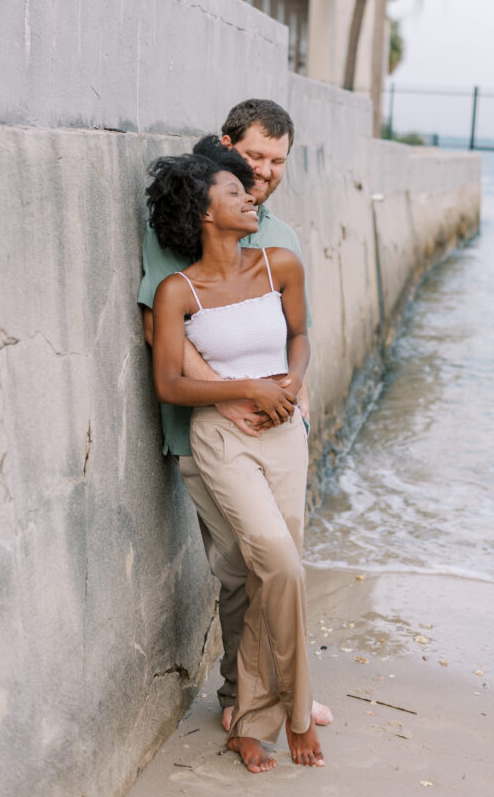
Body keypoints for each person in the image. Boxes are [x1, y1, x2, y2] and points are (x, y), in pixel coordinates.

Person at [137, 99, 332, 730]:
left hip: (277, 426)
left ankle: (271, 694)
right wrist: (233, 394)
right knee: (246, 568)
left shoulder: (281, 239)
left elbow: (295, 334)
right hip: (209, 431)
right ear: (225, 148)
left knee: (278, 562)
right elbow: (159, 327)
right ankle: (245, 701)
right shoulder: (187, 228)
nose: (265, 172)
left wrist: (291, 394)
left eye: (277, 161)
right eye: (253, 157)